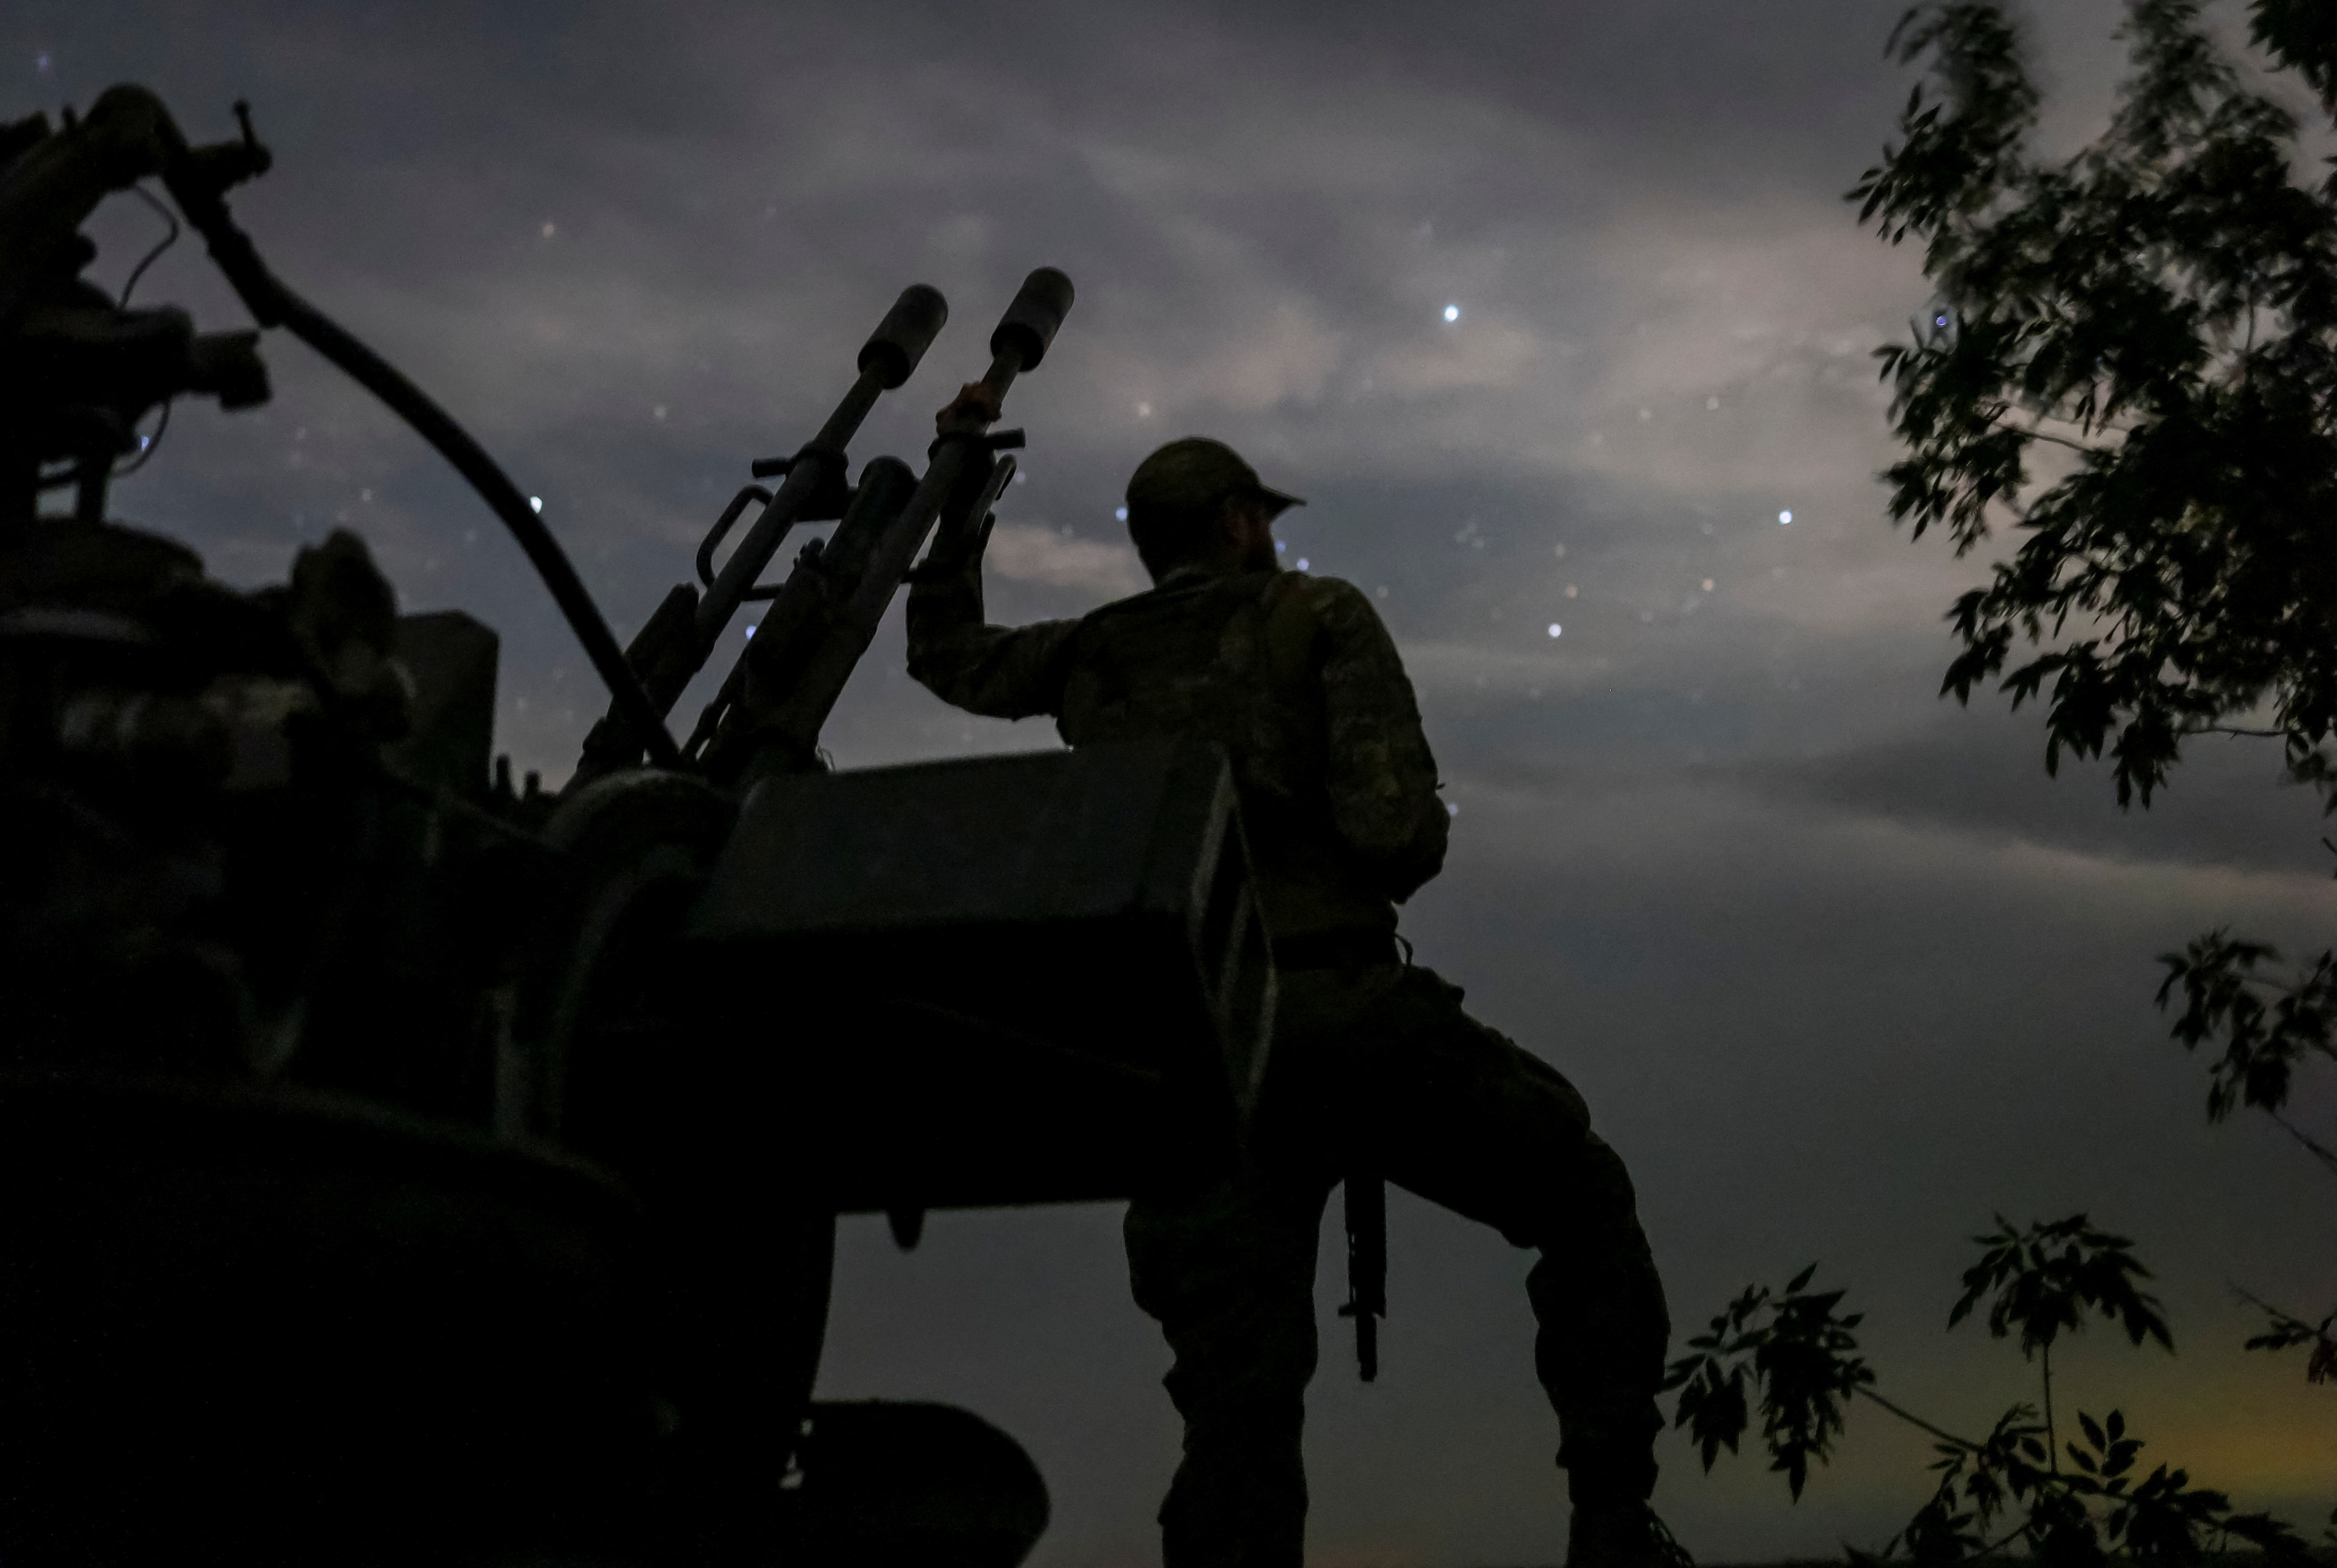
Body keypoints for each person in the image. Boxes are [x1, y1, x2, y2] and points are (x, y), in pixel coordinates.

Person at [905, 391, 1675, 1568]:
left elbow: (946, 656)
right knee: (1583, 1203)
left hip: (1200, 1048)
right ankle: (1614, 1525)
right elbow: (1393, 834)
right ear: (1231, 521)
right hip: (1342, 1011)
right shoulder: (1316, 615)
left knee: (1235, 1404)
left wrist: (956, 497)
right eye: (1256, 514)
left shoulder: (1089, 651)